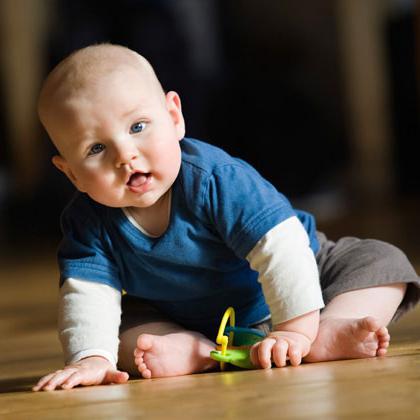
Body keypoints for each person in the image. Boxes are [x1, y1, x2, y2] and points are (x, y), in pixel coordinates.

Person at [33, 43, 420, 391]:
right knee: (120, 334)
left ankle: (328, 328)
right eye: (96, 148)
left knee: (382, 262)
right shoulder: (87, 222)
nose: (125, 155)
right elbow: (88, 294)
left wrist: (296, 330)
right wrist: (91, 357)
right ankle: (195, 352)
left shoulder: (215, 179)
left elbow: (281, 248)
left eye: (138, 127)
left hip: (300, 284)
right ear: (71, 173)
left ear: (174, 117)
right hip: (179, 314)